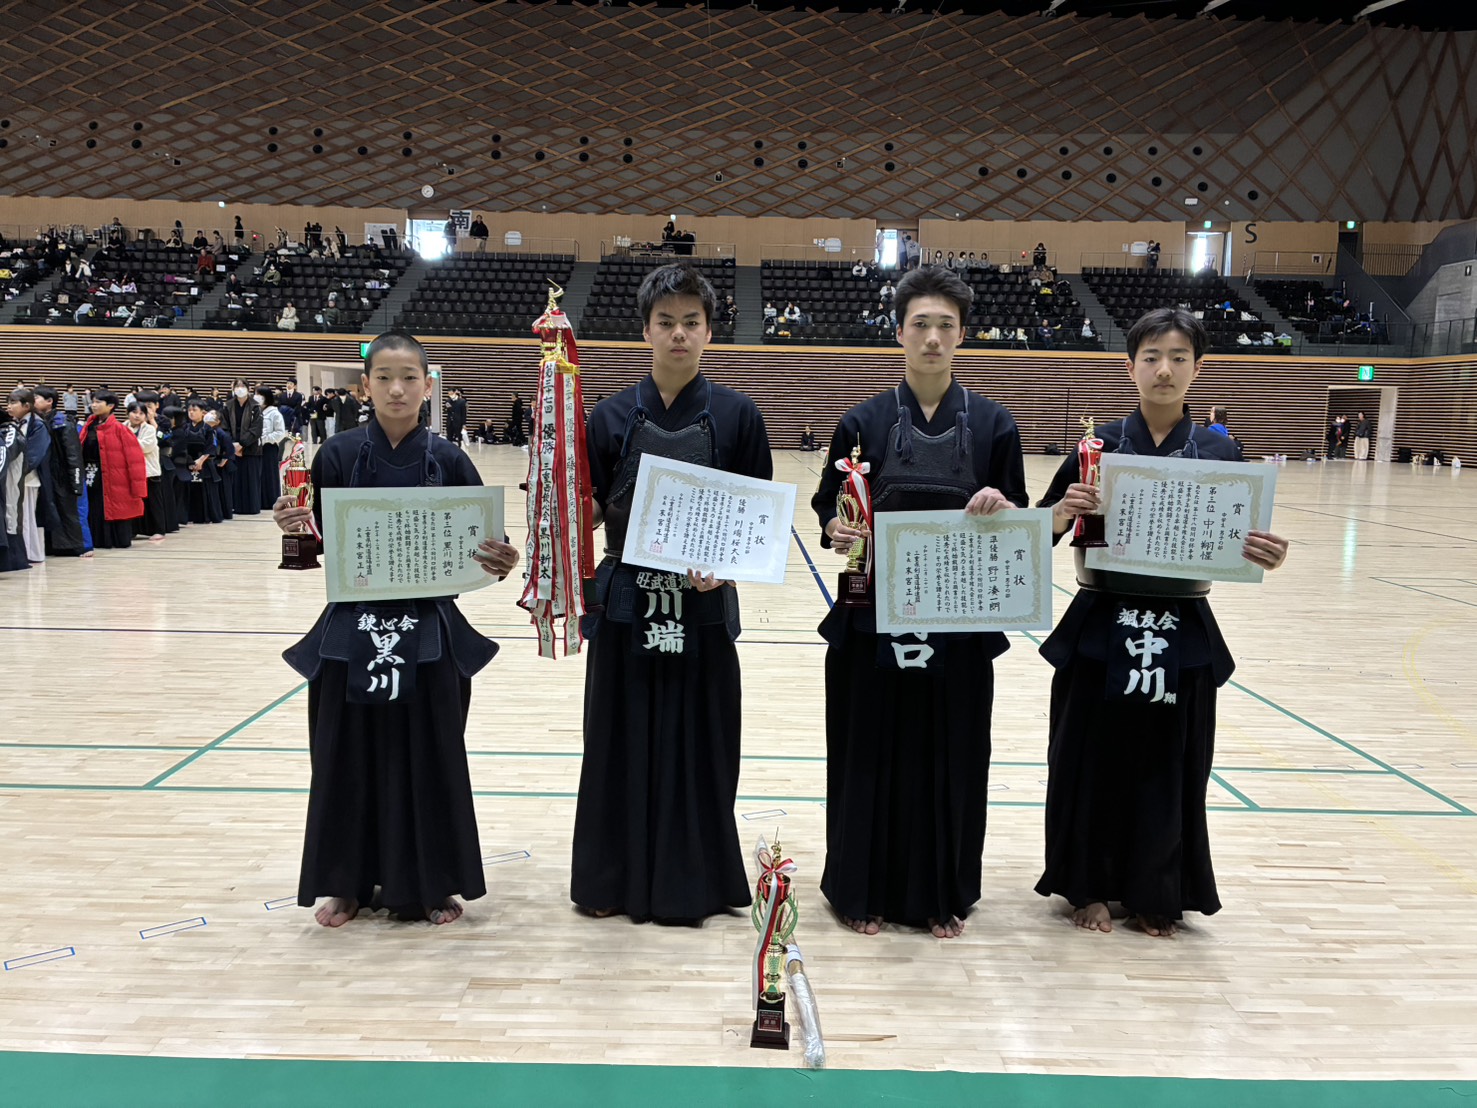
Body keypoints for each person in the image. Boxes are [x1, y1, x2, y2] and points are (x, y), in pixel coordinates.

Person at [1034, 307, 1289, 938]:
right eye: (1151, 357)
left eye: (1178, 357)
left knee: (1171, 763)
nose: (1164, 369)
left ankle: (1156, 890)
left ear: (1198, 368)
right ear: (1130, 366)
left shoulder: (1220, 450)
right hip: (1101, 623)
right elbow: (1039, 533)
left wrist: (1269, 553)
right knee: (1089, 760)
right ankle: (1086, 888)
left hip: (1181, 631)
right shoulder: (1095, 448)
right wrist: (1064, 510)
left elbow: (1240, 538)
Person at [273, 330, 520, 928]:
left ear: (428, 385)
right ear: (364, 386)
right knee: (345, 756)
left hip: (430, 630)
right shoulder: (334, 457)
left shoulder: (453, 460)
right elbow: (312, 549)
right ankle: (348, 882)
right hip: (350, 630)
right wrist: (291, 525)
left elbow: (482, 548)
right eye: (383, 376)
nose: (397, 387)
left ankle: (429, 883)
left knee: (431, 756)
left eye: (409, 376)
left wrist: (503, 558)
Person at [811, 266, 1027, 939]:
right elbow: (828, 511)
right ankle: (858, 890)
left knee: (951, 757)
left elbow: (1017, 519)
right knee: (865, 752)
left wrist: (1002, 508)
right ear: (899, 331)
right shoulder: (861, 422)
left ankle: (942, 892)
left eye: (945, 326)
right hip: (870, 619)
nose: (932, 338)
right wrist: (835, 529)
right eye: (920, 325)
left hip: (958, 625)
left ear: (962, 334)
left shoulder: (993, 424)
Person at [573, 263, 772, 923]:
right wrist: (560, 506)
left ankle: (698, 880)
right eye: (666, 323)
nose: (678, 334)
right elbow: (591, 511)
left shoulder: (739, 416)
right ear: (645, 330)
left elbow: (758, 519)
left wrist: (727, 564)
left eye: (691, 322)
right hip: (627, 604)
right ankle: (611, 880)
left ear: (709, 331)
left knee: (702, 745)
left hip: (704, 606)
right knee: (616, 743)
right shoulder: (607, 418)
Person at [78, 390, 147, 549]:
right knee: (94, 507)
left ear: (110, 406)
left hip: (114, 476)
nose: (93, 405)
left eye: (98, 402)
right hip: (90, 473)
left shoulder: (120, 429)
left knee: (113, 508)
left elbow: (135, 460)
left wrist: (138, 489)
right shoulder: (89, 426)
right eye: (93, 402)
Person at [30, 387, 86, 556]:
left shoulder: (63, 422)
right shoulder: (35, 422)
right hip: (44, 474)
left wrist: (76, 481)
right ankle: (48, 546)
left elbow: (73, 454)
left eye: (37, 398)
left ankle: (73, 546)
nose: (33, 401)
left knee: (66, 510)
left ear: (50, 401)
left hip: (61, 474)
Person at [2, 388, 47, 569]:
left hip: (28, 479)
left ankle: (29, 553)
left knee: (25, 518)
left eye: (13, 403)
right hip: (13, 478)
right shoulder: (13, 424)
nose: (9, 407)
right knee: (14, 516)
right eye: (8, 402)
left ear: (27, 406)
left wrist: (19, 472)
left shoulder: (38, 425)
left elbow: (35, 455)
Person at [124, 401, 166, 541]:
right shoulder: (122, 427)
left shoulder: (149, 429)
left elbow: (146, 447)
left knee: (154, 502)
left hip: (149, 471)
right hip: (130, 471)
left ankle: (159, 530)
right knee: (134, 502)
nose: (137, 416)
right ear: (128, 413)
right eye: (134, 412)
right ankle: (133, 530)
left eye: (141, 413)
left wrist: (126, 443)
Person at [221, 379, 263, 514]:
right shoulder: (227, 406)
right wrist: (232, 444)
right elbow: (224, 427)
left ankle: (251, 508)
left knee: (250, 478)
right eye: (237, 386)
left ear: (248, 388)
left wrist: (242, 444)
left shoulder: (255, 406)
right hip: (232, 447)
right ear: (233, 389)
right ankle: (235, 507)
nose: (239, 388)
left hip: (250, 448)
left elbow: (257, 429)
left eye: (242, 386)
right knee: (235, 479)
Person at [257, 387, 288, 509]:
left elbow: (280, 433)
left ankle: (270, 500)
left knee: (269, 474)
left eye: (259, 395)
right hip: (256, 448)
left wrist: (265, 439)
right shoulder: (256, 411)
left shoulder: (275, 413)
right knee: (259, 474)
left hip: (269, 447)